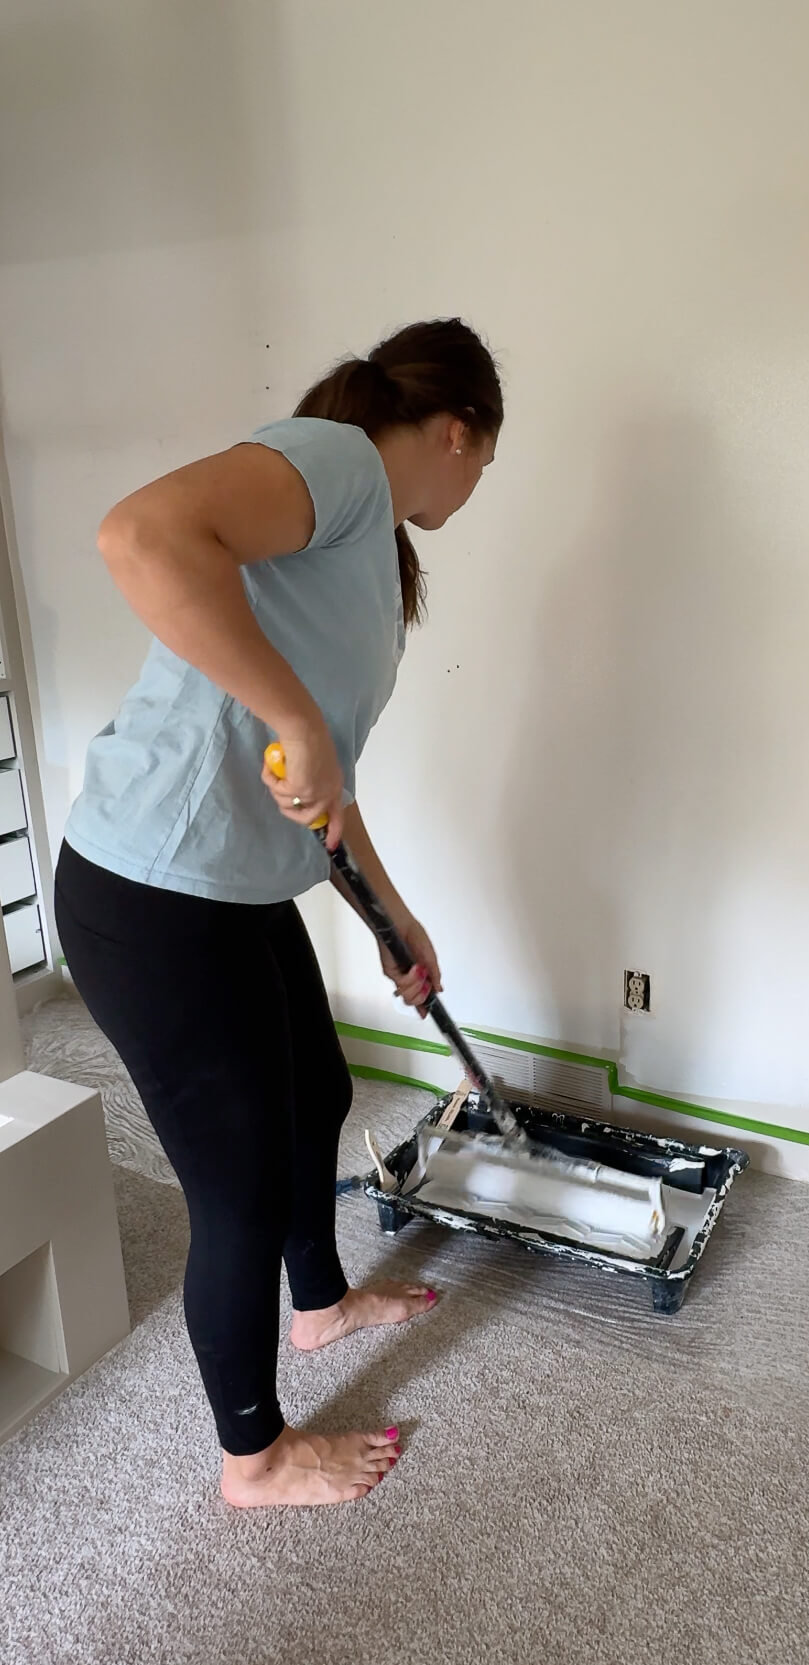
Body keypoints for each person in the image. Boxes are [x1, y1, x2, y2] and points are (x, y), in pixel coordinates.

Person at [54, 319, 502, 1508]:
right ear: (458, 431)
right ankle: (252, 1459)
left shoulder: (368, 550)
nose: (474, 485)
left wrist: (391, 919)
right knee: (238, 1186)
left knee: (322, 1092)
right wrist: (295, 719)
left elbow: (324, 784)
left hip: (236, 886)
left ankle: (321, 1308)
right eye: (483, 464)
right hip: (150, 894)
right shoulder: (343, 463)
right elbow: (140, 536)